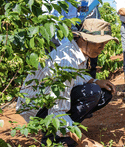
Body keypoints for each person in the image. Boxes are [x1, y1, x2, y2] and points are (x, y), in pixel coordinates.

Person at [16, 19, 118, 147]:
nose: (101, 48)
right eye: (99, 44)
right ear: (84, 39)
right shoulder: (66, 62)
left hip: (49, 102)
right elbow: (57, 112)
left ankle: (68, 130)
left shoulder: (78, 51)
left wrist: (96, 81)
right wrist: (85, 141)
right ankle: (54, 137)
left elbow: (77, 77)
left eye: (104, 44)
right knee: (92, 92)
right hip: (35, 108)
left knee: (103, 93)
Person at [74, 0, 100, 78]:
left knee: (93, 58)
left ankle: (92, 83)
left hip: (93, 26)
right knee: (80, 58)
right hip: (81, 26)